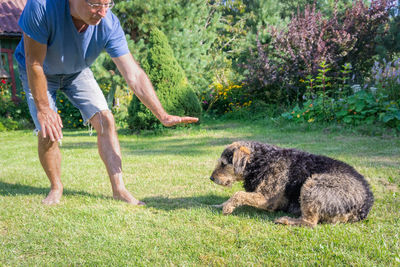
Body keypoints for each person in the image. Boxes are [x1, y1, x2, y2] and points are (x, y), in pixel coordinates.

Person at [14, 0, 199, 205]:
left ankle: (119, 190)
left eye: (107, 4)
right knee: (48, 130)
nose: (102, 12)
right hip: (39, 71)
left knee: (106, 119)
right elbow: (34, 63)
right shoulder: (41, 7)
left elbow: (134, 75)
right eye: (95, 4)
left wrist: (162, 115)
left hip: (77, 72)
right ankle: (56, 187)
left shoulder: (109, 23)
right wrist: (43, 109)